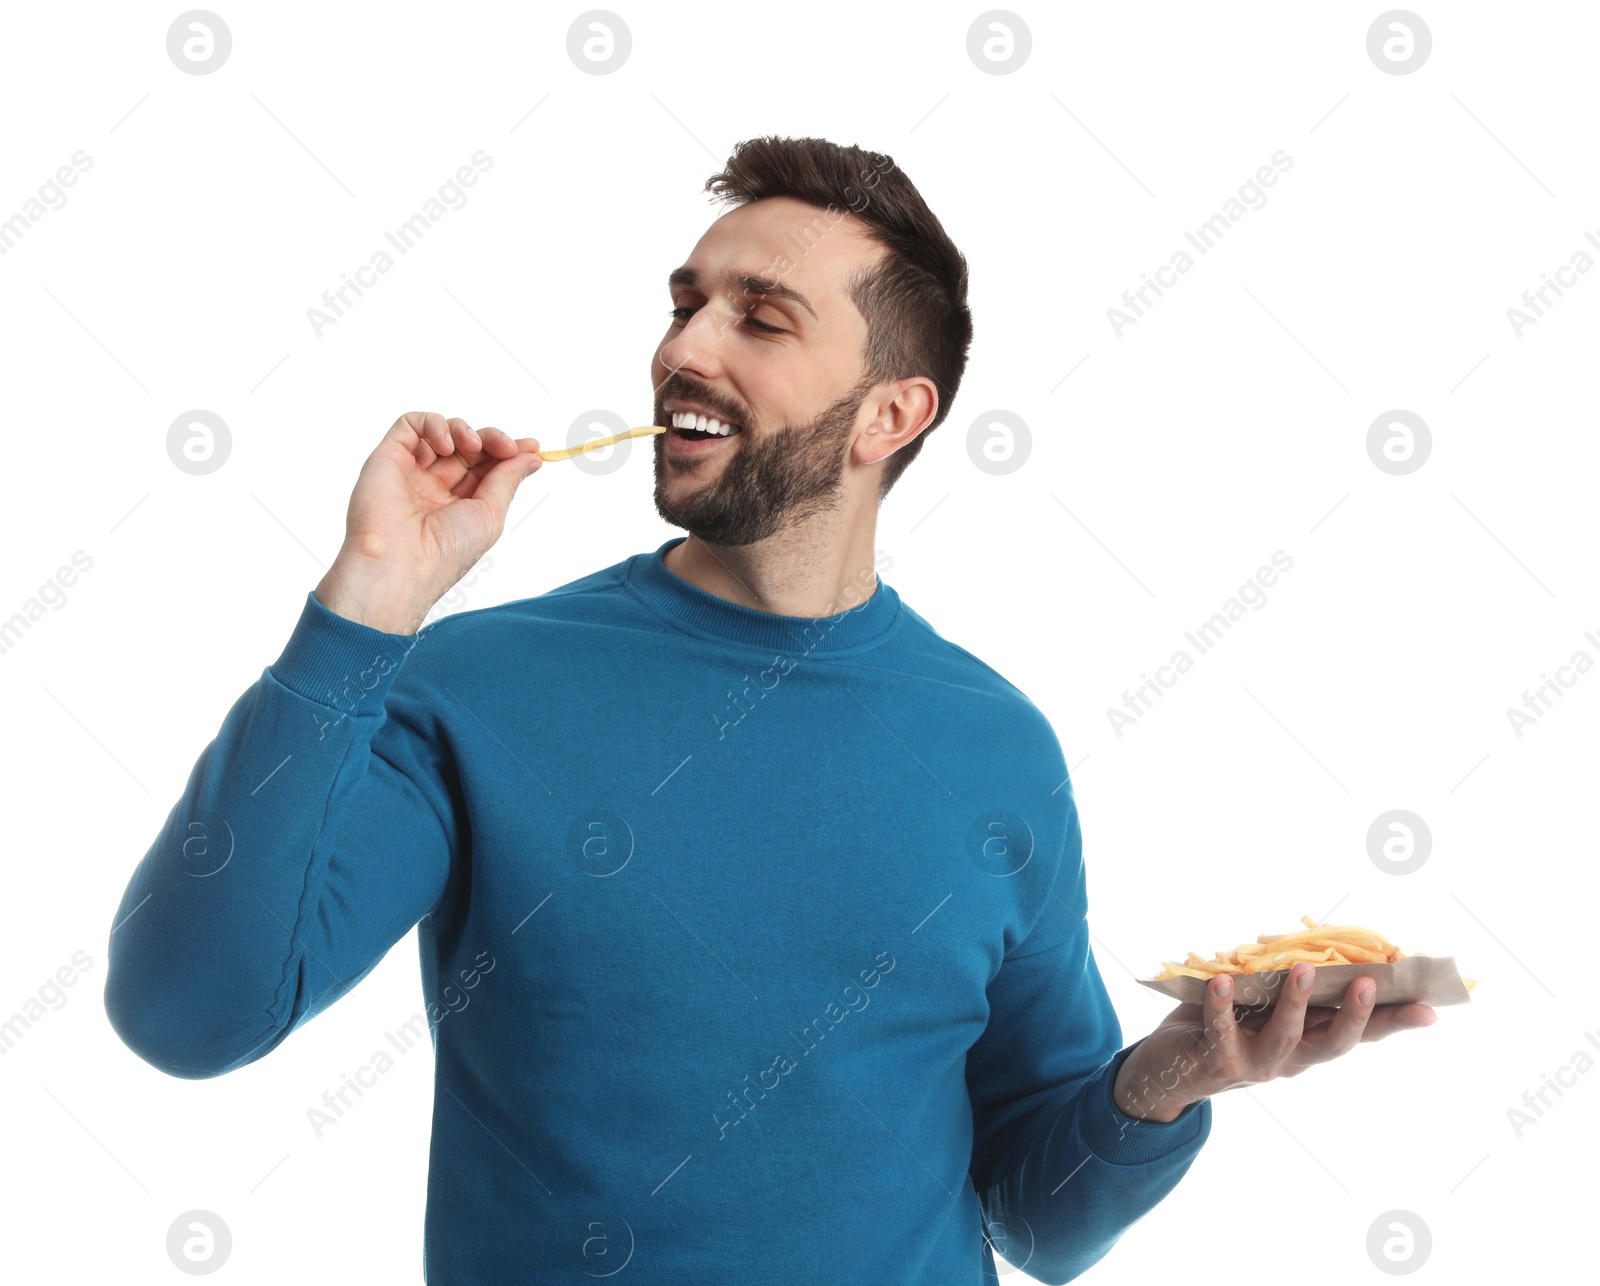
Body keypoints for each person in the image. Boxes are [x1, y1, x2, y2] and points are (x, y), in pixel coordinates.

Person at [104, 135, 1436, 1285]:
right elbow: (191, 1009)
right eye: (685, 303)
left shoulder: (996, 747)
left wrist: (1161, 1085)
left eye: (759, 315)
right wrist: (363, 610)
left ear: (889, 415)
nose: (683, 345)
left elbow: (1039, 1207)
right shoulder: (473, 684)